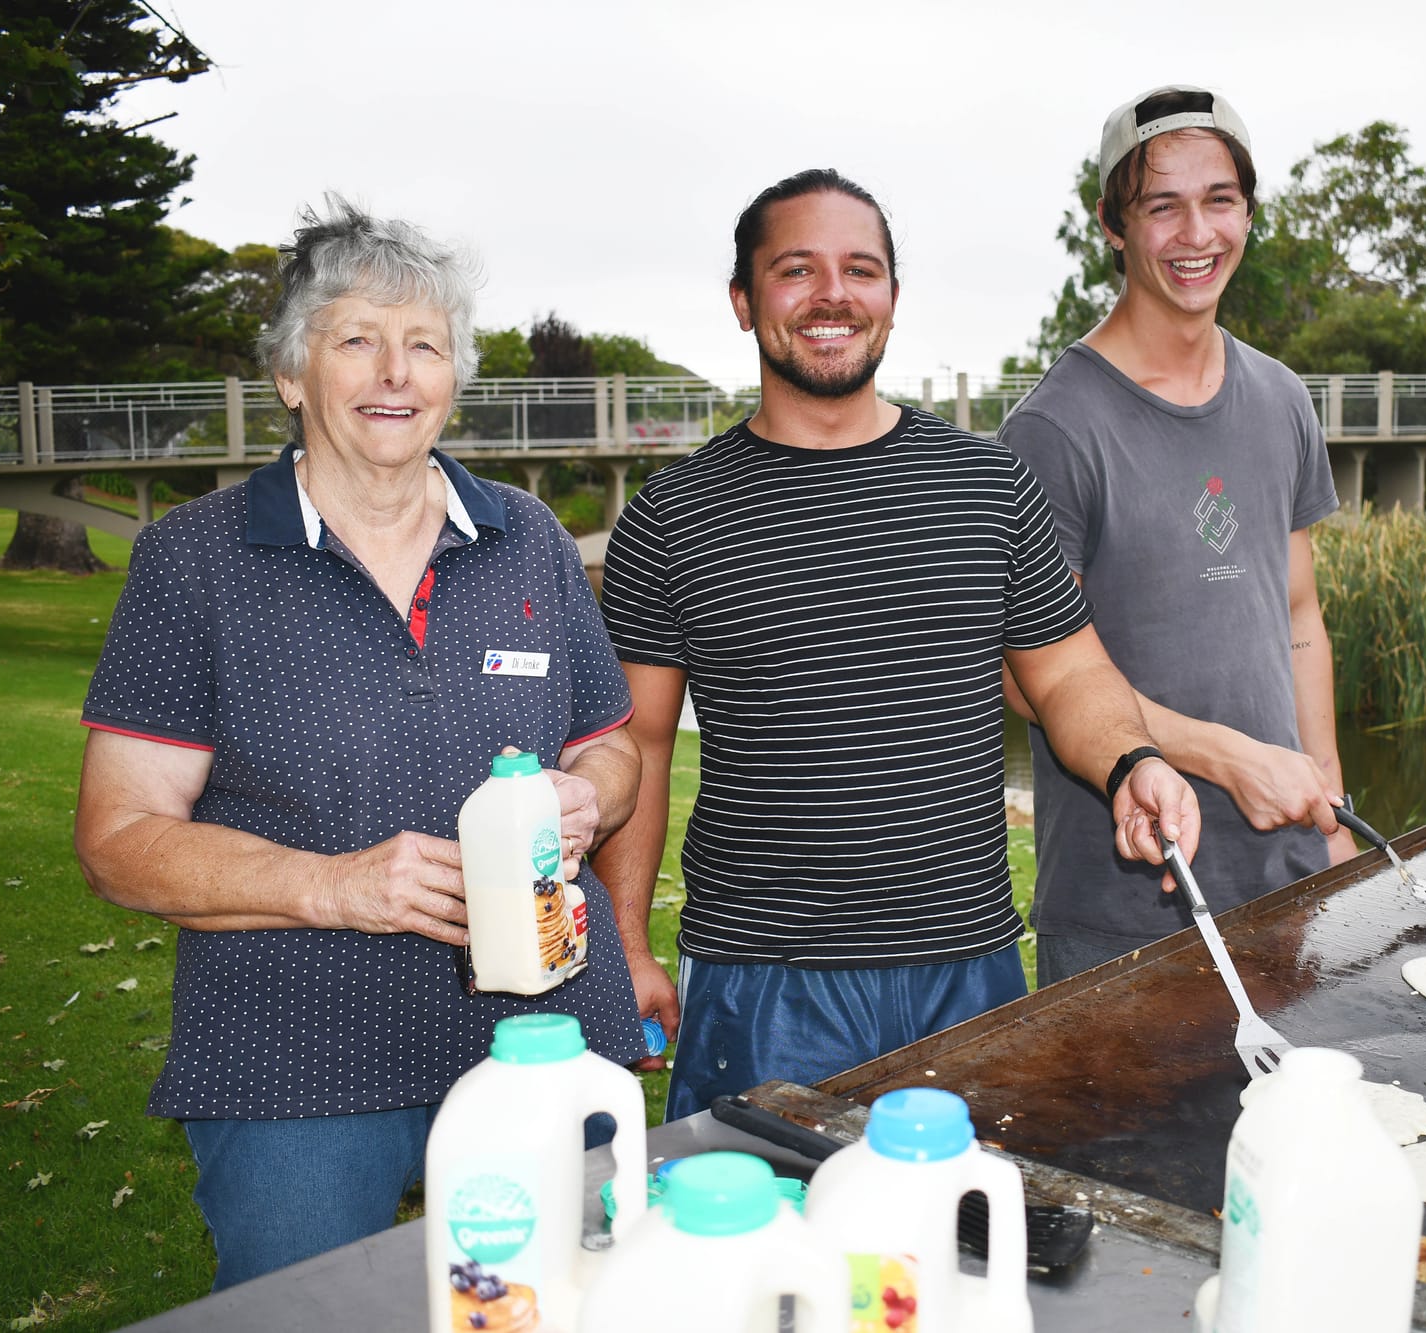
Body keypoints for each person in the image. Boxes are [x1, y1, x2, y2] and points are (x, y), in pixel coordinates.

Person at [72, 197, 645, 1289]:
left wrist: (588, 796)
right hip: (295, 1059)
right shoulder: (192, 561)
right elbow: (116, 837)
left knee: (578, 1301)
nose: (395, 371)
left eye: (423, 344)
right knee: (313, 1312)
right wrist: (337, 886)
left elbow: (610, 744)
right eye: (356, 339)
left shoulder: (527, 540)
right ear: (292, 375)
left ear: (453, 376)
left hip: (547, 1036)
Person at [593, 168, 1198, 1121]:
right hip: (762, 985)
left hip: (968, 967)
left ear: (892, 299)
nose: (834, 294)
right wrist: (626, 948)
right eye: (798, 269)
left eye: (860, 270)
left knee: (967, 1250)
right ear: (744, 302)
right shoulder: (673, 517)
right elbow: (636, 747)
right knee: (761, 1259)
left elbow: (1070, 672)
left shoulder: (987, 486)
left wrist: (1134, 760)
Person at [999, 85, 1358, 988]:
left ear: (1248, 211)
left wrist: (1332, 807)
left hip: (1287, 877)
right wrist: (1230, 760)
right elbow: (1031, 678)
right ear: (1112, 226)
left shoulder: (1281, 398)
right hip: (1129, 902)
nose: (1196, 234)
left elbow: (1301, 616)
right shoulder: (1054, 429)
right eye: (1162, 205)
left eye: (1219, 200)